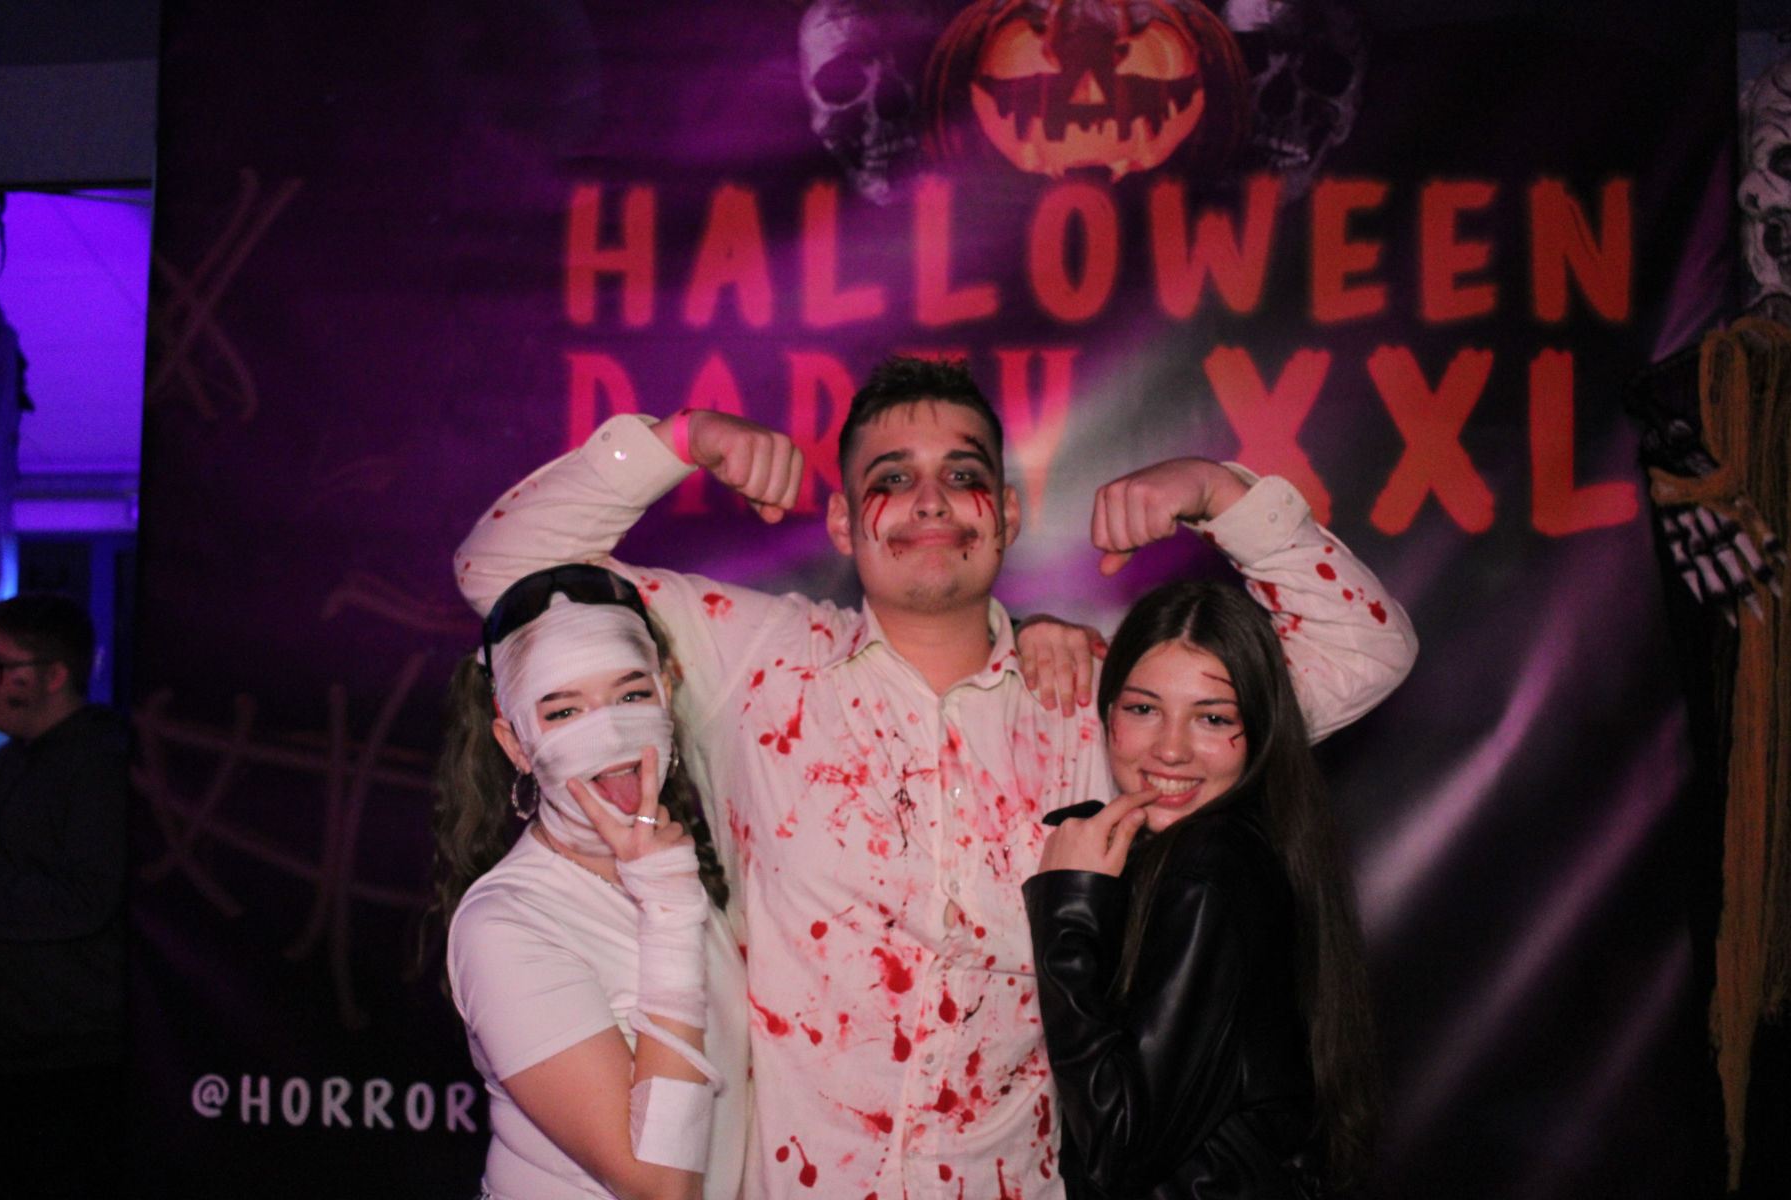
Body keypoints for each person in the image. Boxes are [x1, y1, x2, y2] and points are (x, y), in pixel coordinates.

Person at [453, 355, 1416, 1199]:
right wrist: (681, 440)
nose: (928, 501)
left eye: (963, 476)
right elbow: (505, 578)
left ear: (1006, 515)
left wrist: (1221, 492)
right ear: (842, 521)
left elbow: (1364, 655)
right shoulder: (752, 662)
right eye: (891, 478)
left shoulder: (1104, 702)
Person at [1025, 581, 1381, 1199]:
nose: (1171, 749)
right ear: (1107, 713)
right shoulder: (1239, 846)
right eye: (1143, 709)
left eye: (1213, 718)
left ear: (1261, 729)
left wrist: (1068, 903)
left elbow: (1118, 1141)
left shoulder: (1208, 867)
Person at [433, 564, 749, 1200]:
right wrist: (668, 910)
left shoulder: (684, 861)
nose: (608, 733)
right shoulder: (504, 926)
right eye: (564, 710)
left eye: (631, 697)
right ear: (515, 743)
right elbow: (660, 1186)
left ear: (665, 694)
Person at [0, 593, 130, 1197]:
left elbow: (85, 898)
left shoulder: (103, 763)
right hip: (20, 1046)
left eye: (0, 667)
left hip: (70, 1057)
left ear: (54, 676)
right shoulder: (11, 761)